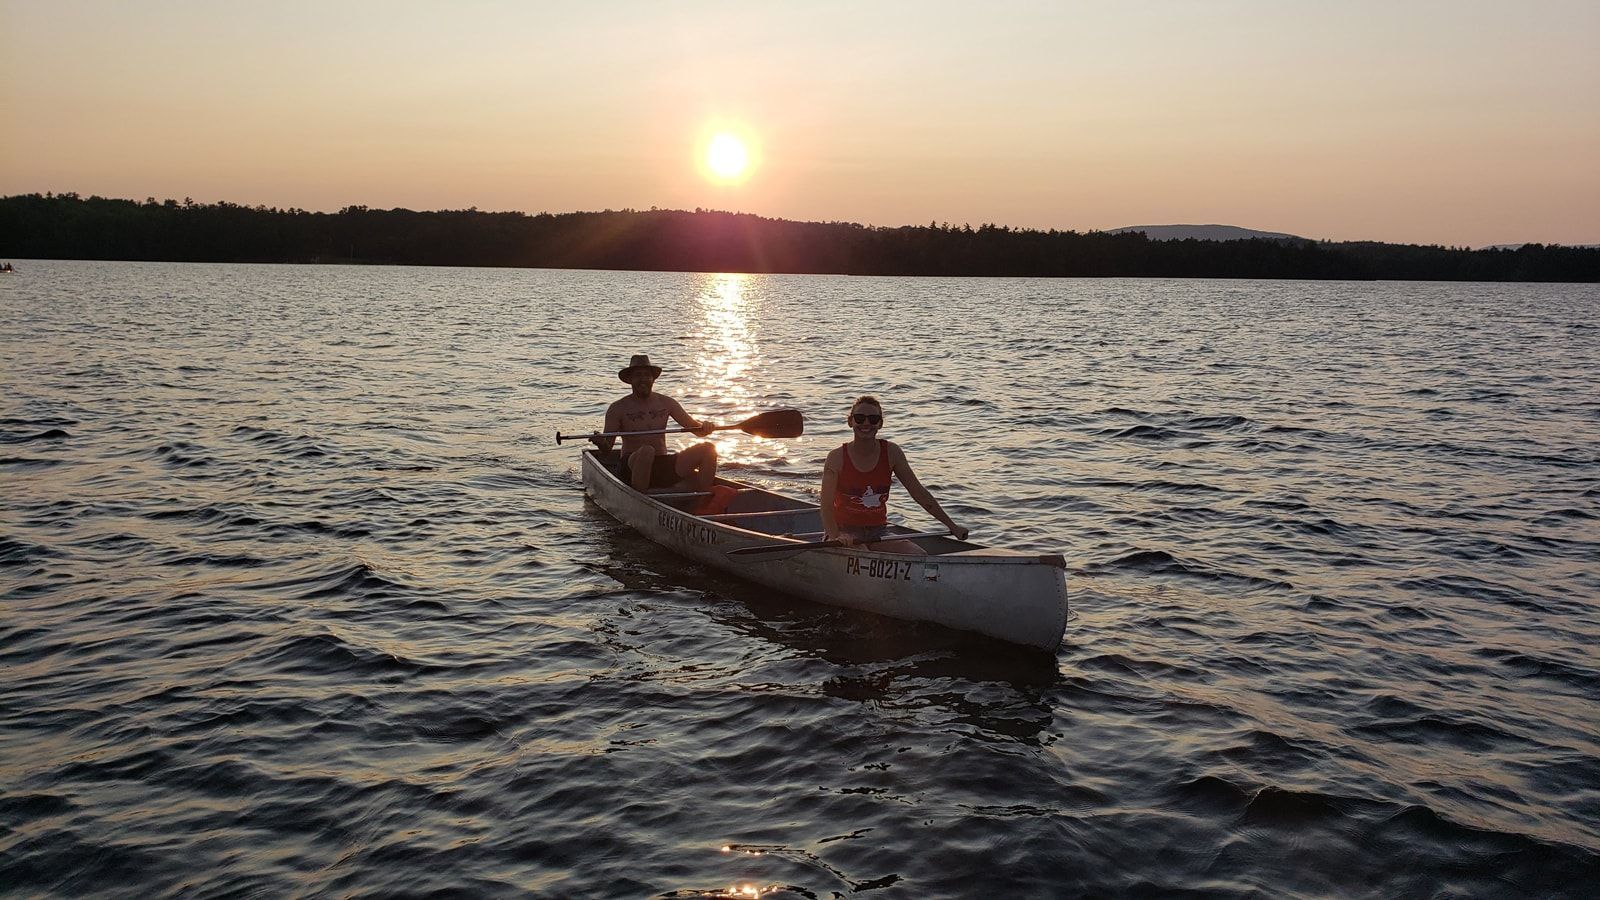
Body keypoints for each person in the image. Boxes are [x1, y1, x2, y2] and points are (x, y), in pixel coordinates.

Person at [819, 395, 969, 553]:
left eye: (873, 419)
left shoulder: (892, 453)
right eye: (860, 418)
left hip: (878, 531)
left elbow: (919, 494)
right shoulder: (836, 457)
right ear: (851, 422)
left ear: (880, 424)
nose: (866, 423)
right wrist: (836, 535)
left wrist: (952, 526)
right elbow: (826, 506)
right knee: (861, 552)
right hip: (843, 531)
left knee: (918, 555)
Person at [588, 354, 720, 494]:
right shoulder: (618, 408)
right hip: (632, 466)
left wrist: (706, 427)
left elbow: (696, 430)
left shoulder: (666, 402)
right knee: (647, 451)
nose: (643, 379)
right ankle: (640, 499)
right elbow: (607, 450)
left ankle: (704, 498)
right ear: (630, 379)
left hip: (663, 464)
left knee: (708, 449)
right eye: (638, 375)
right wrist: (601, 443)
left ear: (653, 379)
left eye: (647, 375)